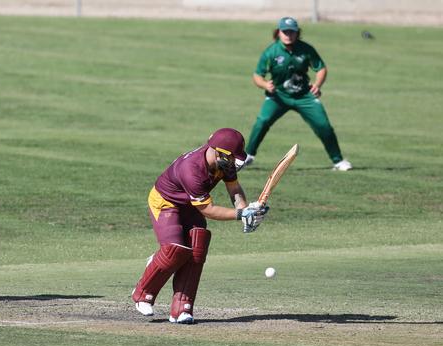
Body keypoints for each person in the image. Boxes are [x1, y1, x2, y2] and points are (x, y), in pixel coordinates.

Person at [131, 128, 269, 324]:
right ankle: (143, 293)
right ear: (218, 151)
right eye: (231, 157)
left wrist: (247, 211)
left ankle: (181, 309)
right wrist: (240, 215)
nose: (234, 162)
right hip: (166, 202)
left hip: (190, 205)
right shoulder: (192, 170)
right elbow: (208, 210)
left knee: (197, 249)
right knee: (173, 251)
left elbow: (234, 189)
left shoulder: (224, 161)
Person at [245, 16, 352, 171]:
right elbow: (257, 75)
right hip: (279, 96)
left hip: (304, 96)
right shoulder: (271, 52)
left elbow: (321, 68)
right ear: (278, 32)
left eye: (292, 32)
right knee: (262, 122)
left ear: (297, 33)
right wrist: (264, 84)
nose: (288, 35)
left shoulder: (306, 49)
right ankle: (248, 156)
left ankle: (338, 161)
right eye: (285, 31)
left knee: (324, 126)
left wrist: (317, 84)